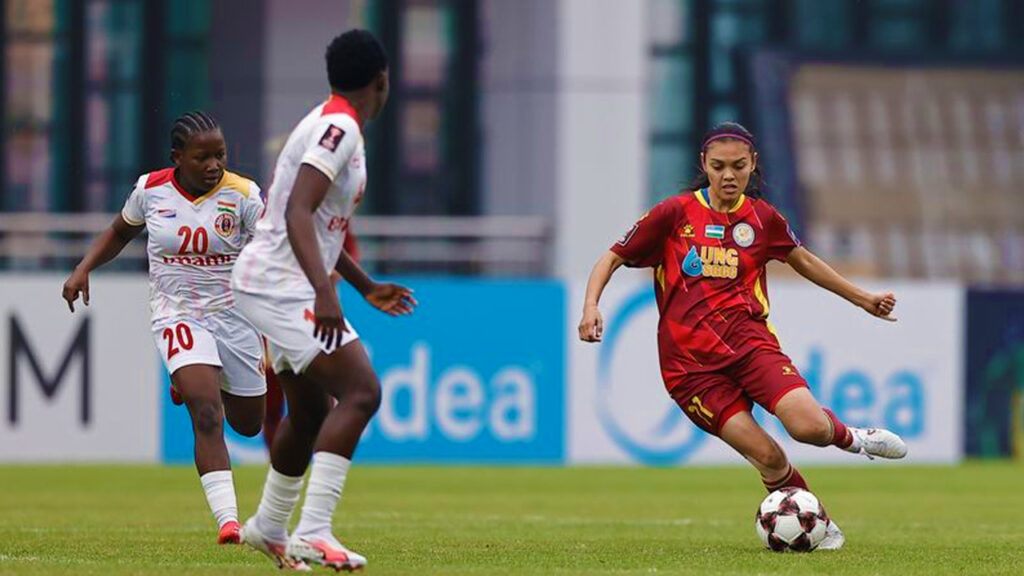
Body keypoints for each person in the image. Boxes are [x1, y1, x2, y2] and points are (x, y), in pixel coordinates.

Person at [578, 122, 907, 550]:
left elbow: (804, 262)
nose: (728, 176)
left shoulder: (762, 218)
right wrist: (590, 307)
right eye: (718, 167)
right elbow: (612, 257)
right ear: (704, 166)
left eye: (738, 166)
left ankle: (855, 439)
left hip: (752, 347)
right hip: (691, 371)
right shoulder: (674, 214)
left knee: (807, 426)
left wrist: (862, 298)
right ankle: (819, 522)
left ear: (753, 165)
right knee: (768, 457)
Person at [232, 29, 415, 571]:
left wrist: (362, 286)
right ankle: (313, 531)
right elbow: (296, 212)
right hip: (279, 286)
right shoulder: (340, 129)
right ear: (382, 81)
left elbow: (318, 223)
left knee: (312, 408)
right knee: (362, 390)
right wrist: (322, 293)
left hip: (276, 282)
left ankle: (268, 525)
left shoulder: (327, 120)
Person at [61, 111, 267, 545]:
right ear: (178, 158)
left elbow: (271, 250)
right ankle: (228, 522)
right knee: (206, 413)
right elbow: (120, 232)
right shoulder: (150, 190)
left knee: (249, 424)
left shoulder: (245, 195)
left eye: (221, 155)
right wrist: (83, 268)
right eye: (203, 157)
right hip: (178, 312)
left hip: (236, 316)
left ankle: (197, 376)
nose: (214, 165)